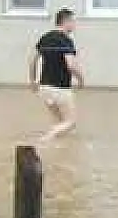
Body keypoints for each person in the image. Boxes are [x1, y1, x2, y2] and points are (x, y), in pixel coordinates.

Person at [29, 9, 84, 145]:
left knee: (59, 123)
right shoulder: (66, 41)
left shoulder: (45, 38)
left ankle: (57, 153)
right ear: (66, 22)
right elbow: (70, 65)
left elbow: (33, 60)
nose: (74, 26)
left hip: (44, 88)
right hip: (60, 88)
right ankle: (44, 141)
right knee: (70, 123)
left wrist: (32, 80)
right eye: (73, 22)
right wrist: (81, 79)